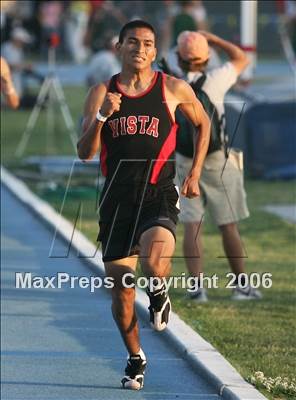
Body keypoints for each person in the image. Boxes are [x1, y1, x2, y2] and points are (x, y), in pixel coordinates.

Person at [77, 20, 210, 390]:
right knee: (121, 293)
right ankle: (136, 357)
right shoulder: (100, 91)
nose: (140, 48)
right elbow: (85, 153)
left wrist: (195, 171)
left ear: (155, 51)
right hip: (117, 201)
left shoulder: (172, 88)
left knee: (154, 261)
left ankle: (160, 292)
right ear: (118, 47)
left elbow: (203, 124)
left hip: (159, 193)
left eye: (148, 43)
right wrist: (103, 115)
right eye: (132, 41)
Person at [174, 30, 262, 302]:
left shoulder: (172, 83)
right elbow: (241, 58)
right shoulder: (215, 79)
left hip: (184, 159)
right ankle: (241, 286)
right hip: (216, 158)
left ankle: (197, 288)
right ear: (207, 57)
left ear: (179, 58)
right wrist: (215, 38)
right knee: (228, 224)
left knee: (192, 225)